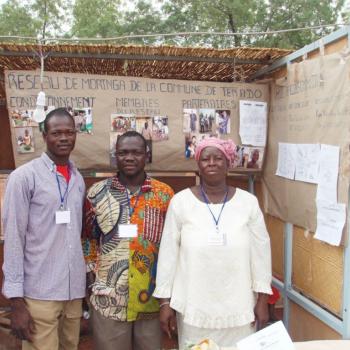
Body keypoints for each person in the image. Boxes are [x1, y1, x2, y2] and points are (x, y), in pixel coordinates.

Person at [154, 137, 272, 349]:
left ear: (228, 164)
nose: (212, 163)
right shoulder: (180, 202)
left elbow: (261, 253)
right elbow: (168, 253)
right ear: (198, 165)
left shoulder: (248, 203)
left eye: (218, 158)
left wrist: (263, 300)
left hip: (240, 306)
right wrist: (165, 303)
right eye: (205, 158)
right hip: (194, 306)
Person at [2, 108, 86, 350]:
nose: (63, 138)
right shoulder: (24, 177)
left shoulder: (77, 177)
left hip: (72, 292)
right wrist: (16, 302)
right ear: (44, 135)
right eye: (56, 132)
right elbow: (14, 239)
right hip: (39, 293)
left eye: (69, 132)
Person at [82, 131, 174, 350]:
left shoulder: (165, 194)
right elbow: (88, 240)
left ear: (147, 155)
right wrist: (91, 277)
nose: (130, 158)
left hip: (151, 299)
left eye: (136, 152)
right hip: (109, 298)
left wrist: (168, 299)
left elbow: (171, 246)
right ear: (115, 156)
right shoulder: (96, 193)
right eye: (123, 153)